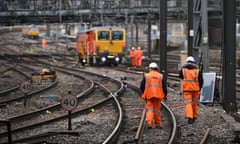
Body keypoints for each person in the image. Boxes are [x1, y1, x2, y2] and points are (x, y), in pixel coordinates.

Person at [140, 62, 167, 129]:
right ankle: (158, 124)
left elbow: (141, 86)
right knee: (157, 110)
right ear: (157, 68)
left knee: (150, 110)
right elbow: (164, 87)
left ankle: (149, 123)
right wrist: (165, 95)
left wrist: (144, 93)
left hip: (149, 95)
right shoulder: (160, 76)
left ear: (150, 68)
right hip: (158, 95)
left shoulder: (147, 75)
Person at [179, 56, 203, 124]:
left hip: (187, 90)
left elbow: (180, 76)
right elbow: (201, 81)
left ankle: (190, 117)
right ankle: (195, 116)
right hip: (195, 90)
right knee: (195, 103)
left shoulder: (183, 70)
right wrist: (199, 88)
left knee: (188, 103)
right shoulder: (197, 71)